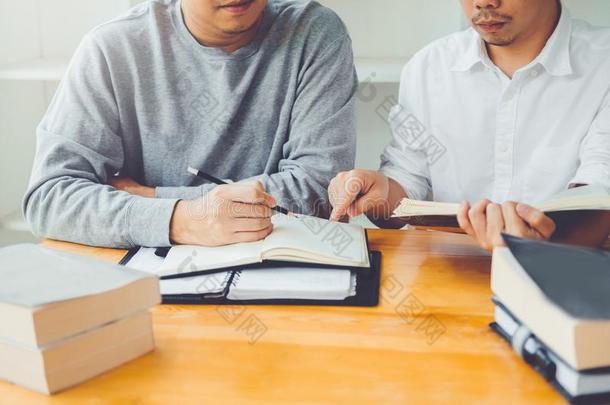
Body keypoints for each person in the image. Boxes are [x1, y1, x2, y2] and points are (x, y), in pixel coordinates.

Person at [23, 0, 357, 248]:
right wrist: (179, 221)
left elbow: (322, 191)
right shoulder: (113, 47)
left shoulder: (315, 33)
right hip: (144, 276)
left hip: (283, 263)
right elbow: (49, 199)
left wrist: (154, 197)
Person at [328, 0, 610, 251]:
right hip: (447, 272)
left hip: (568, 277)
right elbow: (408, 181)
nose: (484, 3)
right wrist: (381, 193)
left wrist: (534, 250)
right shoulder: (429, 66)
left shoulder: (603, 63)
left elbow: (600, 199)